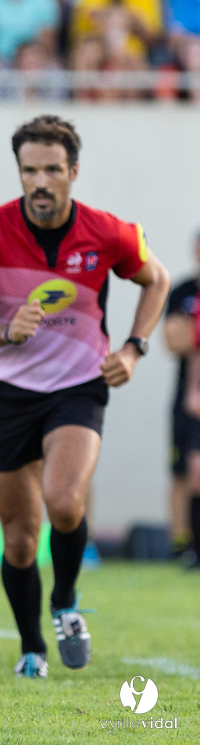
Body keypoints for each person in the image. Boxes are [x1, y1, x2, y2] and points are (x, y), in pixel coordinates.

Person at [0, 115, 170, 678]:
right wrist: (4, 330)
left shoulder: (107, 232)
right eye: (29, 171)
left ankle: (66, 603)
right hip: (4, 390)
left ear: (73, 171)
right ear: (18, 174)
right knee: (20, 541)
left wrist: (136, 347)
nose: (40, 181)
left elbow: (157, 279)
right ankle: (31, 648)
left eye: (51, 170)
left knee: (65, 501)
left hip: (77, 385)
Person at [162, 235, 200, 560]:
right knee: (181, 470)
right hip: (187, 399)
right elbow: (175, 342)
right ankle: (181, 544)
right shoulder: (183, 292)